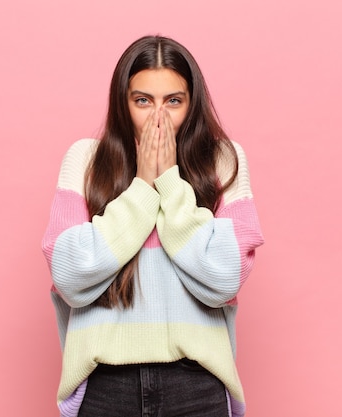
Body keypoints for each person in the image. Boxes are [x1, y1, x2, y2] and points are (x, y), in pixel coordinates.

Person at [42, 35, 264, 417]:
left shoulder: (223, 160)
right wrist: (143, 188)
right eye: (142, 100)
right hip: (106, 386)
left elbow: (224, 277)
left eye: (173, 101)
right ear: (122, 103)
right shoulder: (86, 160)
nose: (157, 117)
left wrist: (170, 182)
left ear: (191, 104)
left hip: (196, 383)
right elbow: (69, 274)